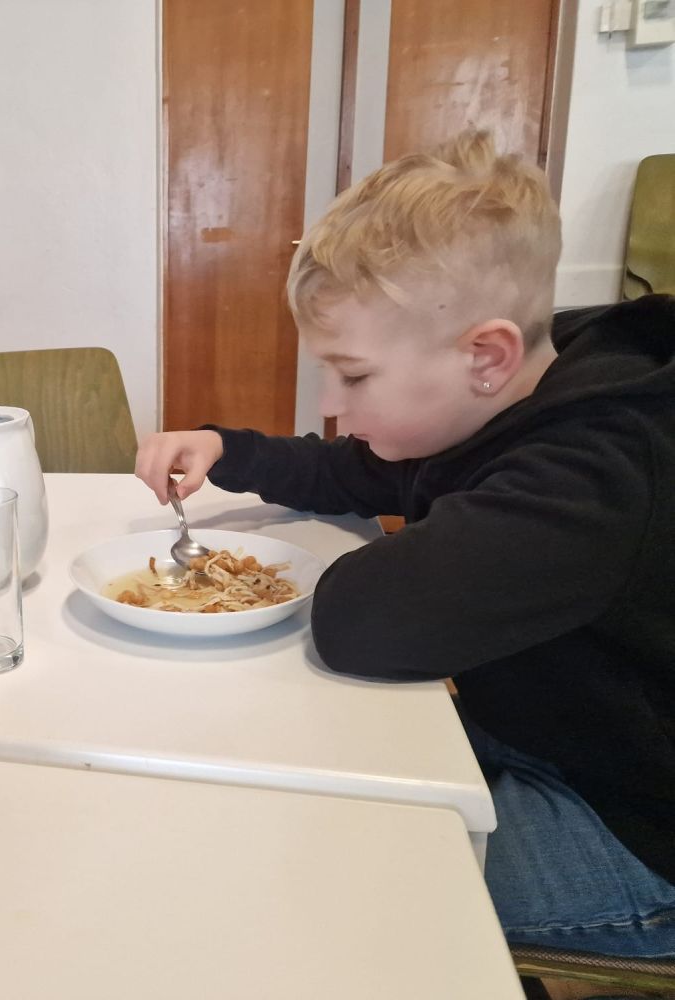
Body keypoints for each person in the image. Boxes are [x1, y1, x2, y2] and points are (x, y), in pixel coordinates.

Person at [136, 131, 675, 958]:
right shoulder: (503, 396)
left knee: (331, 887)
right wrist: (225, 448)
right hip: (546, 731)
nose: (330, 403)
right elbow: (359, 471)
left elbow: (366, 620)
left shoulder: (593, 469)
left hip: (630, 823)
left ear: (484, 355)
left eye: (353, 375)